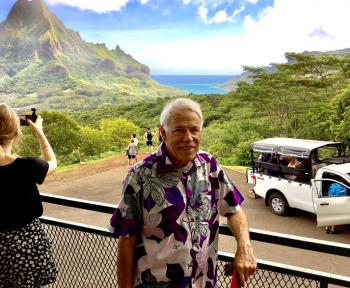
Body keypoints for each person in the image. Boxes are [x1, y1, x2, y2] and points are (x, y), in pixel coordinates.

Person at [110, 98, 256, 287]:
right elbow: (126, 241)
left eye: (194, 130)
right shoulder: (140, 176)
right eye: (179, 130)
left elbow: (234, 209)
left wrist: (244, 247)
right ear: (163, 132)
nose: (188, 137)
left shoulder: (209, 166)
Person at [0, 104, 58, 287]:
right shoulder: (27, 166)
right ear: (16, 133)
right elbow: (52, 163)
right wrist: (40, 132)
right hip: (27, 244)